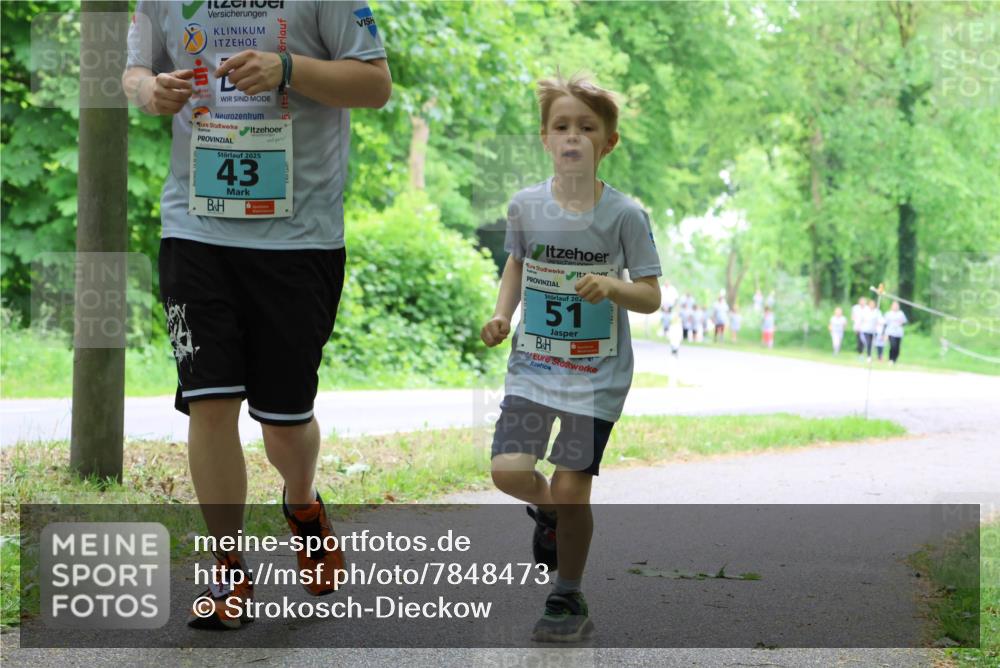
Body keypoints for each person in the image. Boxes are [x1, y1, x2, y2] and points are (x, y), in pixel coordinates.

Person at [124, 1, 391, 630]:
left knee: (283, 423)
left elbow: (376, 84)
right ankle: (226, 572)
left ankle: (302, 503)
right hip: (195, 231)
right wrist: (149, 93)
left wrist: (289, 68)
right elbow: (135, 71)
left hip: (299, 240)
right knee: (209, 403)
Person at [480, 72, 661, 642]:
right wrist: (503, 314)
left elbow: (652, 296)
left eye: (587, 126)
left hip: (596, 378)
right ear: (545, 138)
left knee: (571, 485)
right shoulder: (525, 206)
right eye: (562, 126)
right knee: (509, 472)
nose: (573, 136)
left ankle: (567, 594)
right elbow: (516, 264)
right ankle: (554, 517)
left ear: (608, 142)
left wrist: (612, 287)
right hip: (533, 368)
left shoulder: (625, 215)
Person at [884, 300, 909, 365]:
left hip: (898, 333)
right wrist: (884, 334)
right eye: (894, 306)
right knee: (893, 346)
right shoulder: (888, 313)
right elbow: (885, 324)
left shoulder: (901, 313)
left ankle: (894, 360)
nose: (895, 307)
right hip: (890, 332)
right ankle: (890, 359)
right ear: (891, 306)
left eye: (896, 306)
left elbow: (904, 322)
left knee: (897, 348)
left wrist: (901, 323)